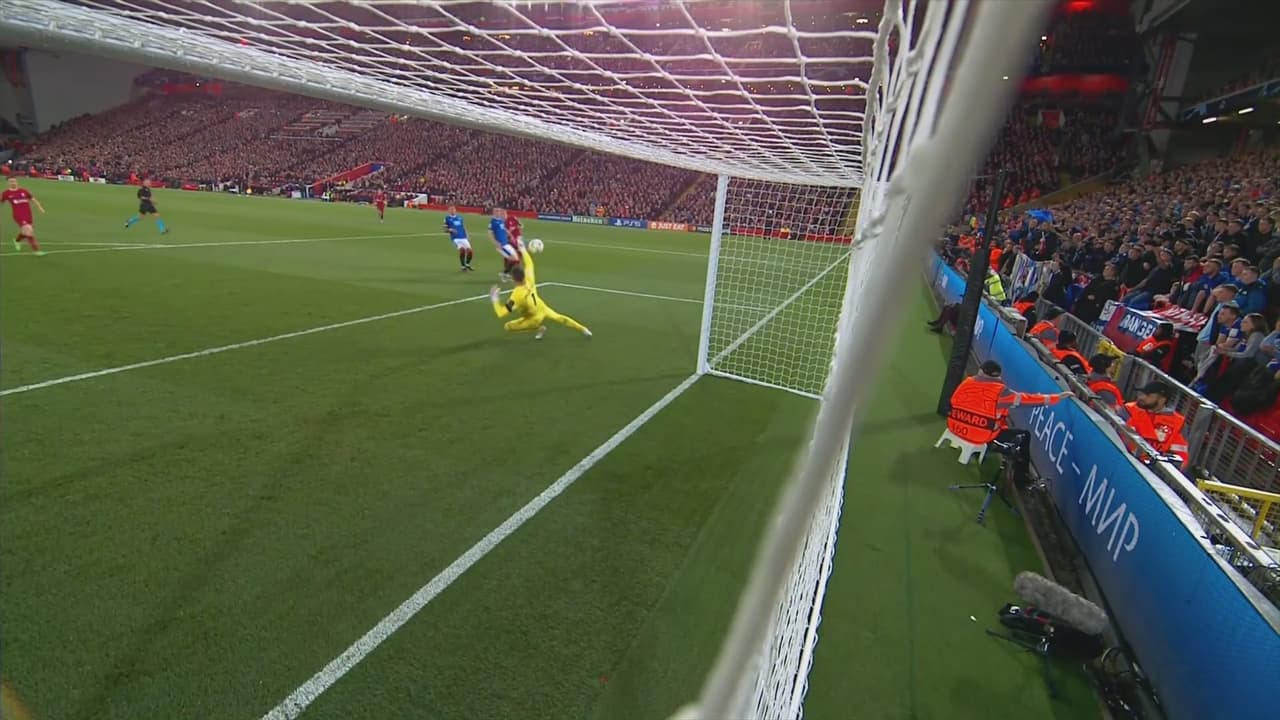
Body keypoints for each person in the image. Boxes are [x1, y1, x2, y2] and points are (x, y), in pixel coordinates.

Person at [945, 360, 1071, 484]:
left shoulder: (967, 382)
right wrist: (1057, 397)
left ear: (981, 371)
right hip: (980, 435)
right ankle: (1021, 480)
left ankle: (982, 450)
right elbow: (1028, 400)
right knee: (1024, 435)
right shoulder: (1002, 393)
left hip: (954, 426)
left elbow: (953, 401)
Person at [488, 241, 591, 340]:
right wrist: (523, 250)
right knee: (559, 317)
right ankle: (583, 329)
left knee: (508, 326)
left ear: (513, 279)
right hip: (542, 307)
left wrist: (495, 299)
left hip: (533, 318)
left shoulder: (517, 295)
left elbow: (501, 313)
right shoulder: (529, 278)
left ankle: (539, 328)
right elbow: (529, 264)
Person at [1116, 381, 1190, 468]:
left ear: (1162, 400)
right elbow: (1116, 436)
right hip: (1123, 459)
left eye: (1148, 395)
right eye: (1141, 394)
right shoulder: (1129, 410)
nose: (1141, 397)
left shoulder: (1178, 422)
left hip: (1153, 469)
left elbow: (1180, 455)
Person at [1, 177, 44, 255]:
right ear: (8, 183)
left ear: (17, 182)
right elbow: (1, 202)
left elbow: (33, 199)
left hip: (28, 214)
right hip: (18, 215)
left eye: (14, 181)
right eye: (11, 181)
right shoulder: (6, 193)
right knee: (29, 231)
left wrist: (40, 207)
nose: (13, 183)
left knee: (25, 231)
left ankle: (17, 240)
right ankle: (37, 250)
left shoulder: (23, 191)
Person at [488, 207, 520, 281]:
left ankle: (506, 273)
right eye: (497, 211)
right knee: (513, 259)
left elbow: (504, 228)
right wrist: (495, 243)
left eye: (499, 211)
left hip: (506, 243)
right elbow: (490, 234)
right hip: (501, 245)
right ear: (493, 213)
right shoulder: (492, 222)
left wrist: (510, 235)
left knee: (516, 259)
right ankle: (506, 274)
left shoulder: (500, 220)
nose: (498, 212)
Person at [442, 205, 474, 272]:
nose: (453, 211)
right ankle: (463, 266)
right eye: (451, 209)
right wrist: (451, 230)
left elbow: (463, 226)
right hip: (455, 238)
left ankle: (467, 264)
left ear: (455, 210)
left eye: (454, 209)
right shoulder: (447, 218)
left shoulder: (460, 218)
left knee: (470, 251)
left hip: (463, 237)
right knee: (462, 250)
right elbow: (444, 229)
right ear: (449, 211)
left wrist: (467, 234)